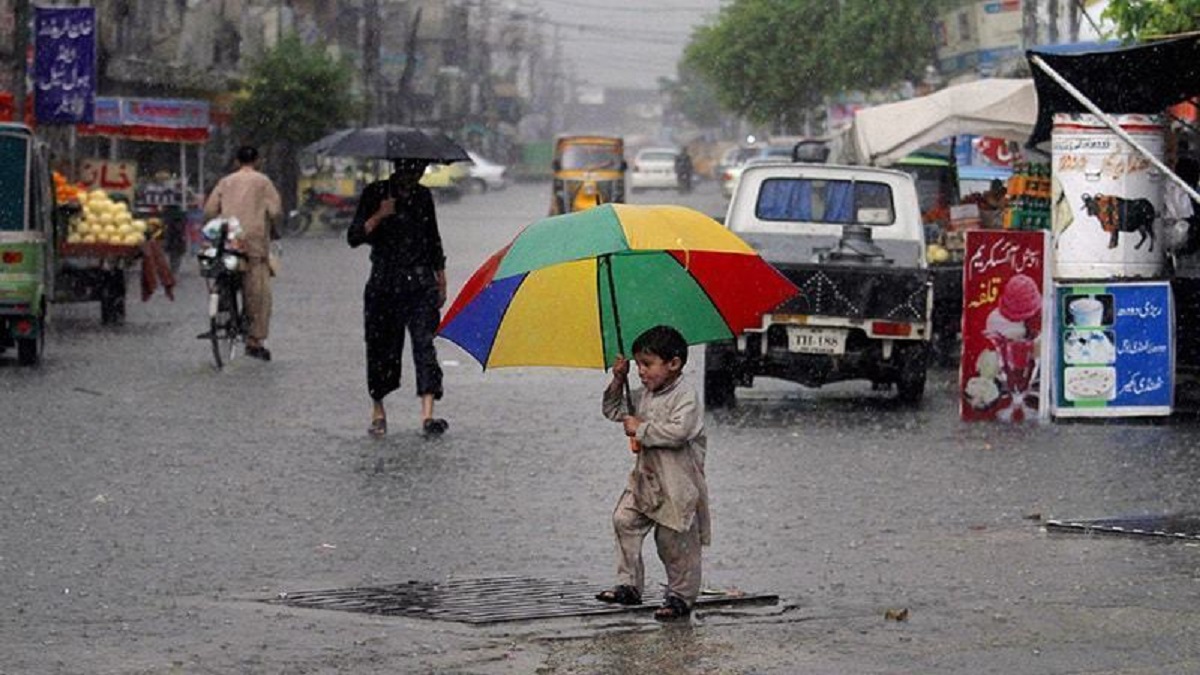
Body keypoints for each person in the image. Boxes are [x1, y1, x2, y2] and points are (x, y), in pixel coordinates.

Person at [596, 325, 710, 622]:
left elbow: (678, 432)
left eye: (647, 365)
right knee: (624, 520)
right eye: (638, 366)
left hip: (677, 484)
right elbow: (612, 409)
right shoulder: (643, 395)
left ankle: (680, 596)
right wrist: (618, 379)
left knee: (674, 542)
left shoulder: (686, 396)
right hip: (646, 479)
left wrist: (641, 429)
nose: (642, 372)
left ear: (674, 364)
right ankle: (629, 584)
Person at [346, 158, 449, 438]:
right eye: (411, 171)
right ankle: (378, 411)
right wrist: (379, 215)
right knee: (381, 348)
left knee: (424, 345)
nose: (415, 176)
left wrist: (441, 275)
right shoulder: (375, 193)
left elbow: (433, 238)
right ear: (399, 169)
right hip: (384, 283)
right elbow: (353, 237)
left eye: (420, 171)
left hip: (420, 283)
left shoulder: (423, 196)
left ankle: (427, 415)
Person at [203, 145, 282, 361]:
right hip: (253, 246)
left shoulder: (225, 182)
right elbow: (275, 211)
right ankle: (254, 341)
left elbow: (210, 210)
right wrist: (272, 228)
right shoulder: (263, 182)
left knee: (225, 277)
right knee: (258, 294)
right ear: (257, 161)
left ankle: (224, 311)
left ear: (237, 162)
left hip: (228, 243)